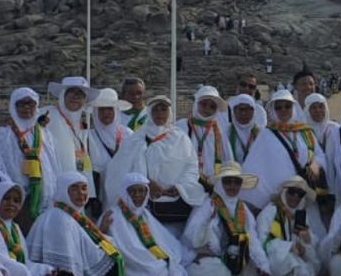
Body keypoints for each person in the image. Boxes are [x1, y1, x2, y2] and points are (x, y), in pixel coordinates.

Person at [27, 172, 125, 276]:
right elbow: (66, 267)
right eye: (74, 189)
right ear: (63, 191)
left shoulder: (73, 214)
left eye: (84, 188)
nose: (81, 193)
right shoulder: (59, 219)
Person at [106, 96, 204, 239]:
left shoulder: (180, 138)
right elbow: (121, 169)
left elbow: (191, 167)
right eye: (155, 110)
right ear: (149, 112)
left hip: (174, 204)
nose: (159, 113)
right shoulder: (136, 139)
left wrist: (179, 187)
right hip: (145, 204)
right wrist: (146, 184)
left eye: (163, 109)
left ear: (169, 112)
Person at [183, 164, 273, 276]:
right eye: (227, 181)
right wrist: (207, 224)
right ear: (220, 183)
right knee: (207, 274)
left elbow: (253, 240)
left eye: (236, 182)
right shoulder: (208, 204)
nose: (232, 186)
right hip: (212, 257)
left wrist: (263, 266)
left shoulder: (243, 209)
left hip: (237, 259)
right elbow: (190, 236)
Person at [103, 172, 190, 276]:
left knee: (167, 265)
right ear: (125, 192)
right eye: (133, 191)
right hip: (132, 264)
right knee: (153, 271)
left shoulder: (144, 214)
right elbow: (124, 248)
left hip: (149, 257)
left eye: (142, 191)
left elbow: (164, 239)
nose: (138, 195)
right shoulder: (114, 215)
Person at [241, 90, 324, 210]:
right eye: (279, 107)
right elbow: (253, 166)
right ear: (274, 110)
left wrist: (316, 164)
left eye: (287, 106)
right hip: (279, 197)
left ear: (293, 107)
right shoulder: (266, 134)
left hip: (304, 193)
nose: (283, 110)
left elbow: (320, 154)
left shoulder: (306, 132)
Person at [0, 88, 60, 223]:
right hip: (15, 199)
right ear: (13, 106)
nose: (27, 108)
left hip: (44, 196)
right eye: (21, 104)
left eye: (31, 103)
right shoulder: (1, 135)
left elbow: (54, 165)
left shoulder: (45, 134)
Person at [257, 177, 328, 276]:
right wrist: (289, 247)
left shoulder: (301, 216)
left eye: (300, 194)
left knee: (314, 259)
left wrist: (306, 241)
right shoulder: (270, 211)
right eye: (292, 192)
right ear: (285, 192)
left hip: (296, 257)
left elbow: (312, 244)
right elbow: (262, 242)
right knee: (287, 259)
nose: (295, 197)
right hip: (274, 260)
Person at [44, 77, 100, 202]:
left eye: (80, 94)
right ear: (63, 95)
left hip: (78, 193)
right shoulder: (47, 116)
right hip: (53, 190)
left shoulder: (80, 124)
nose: (75, 97)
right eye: (71, 92)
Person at [176, 86, 233, 187]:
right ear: (196, 104)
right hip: (186, 184)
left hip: (212, 186)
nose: (207, 109)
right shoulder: (181, 126)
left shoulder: (219, 132)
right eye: (203, 104)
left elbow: (228, 160)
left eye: (212, 107)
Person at [88, 88, 133, 189]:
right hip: (100, 190)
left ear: (116, 111)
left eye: (109, 109)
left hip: (124, 188)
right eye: (102, 109)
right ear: (96, 112)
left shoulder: (128, 134)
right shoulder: (89, 137)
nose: (105, 113)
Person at [305, 93, 341, 195]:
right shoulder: (303, 131)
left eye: (321, 106)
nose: (318, 110)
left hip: (335, 178)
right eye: (313, 107)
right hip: (313, 181)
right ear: (307, 110)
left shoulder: (335, 128)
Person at [226, 94, 262, 163]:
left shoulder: (260, 133)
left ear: (253, 111)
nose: (244, 113)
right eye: (241, 109)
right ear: (234, 111)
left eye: (248, 110)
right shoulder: (226, 132)